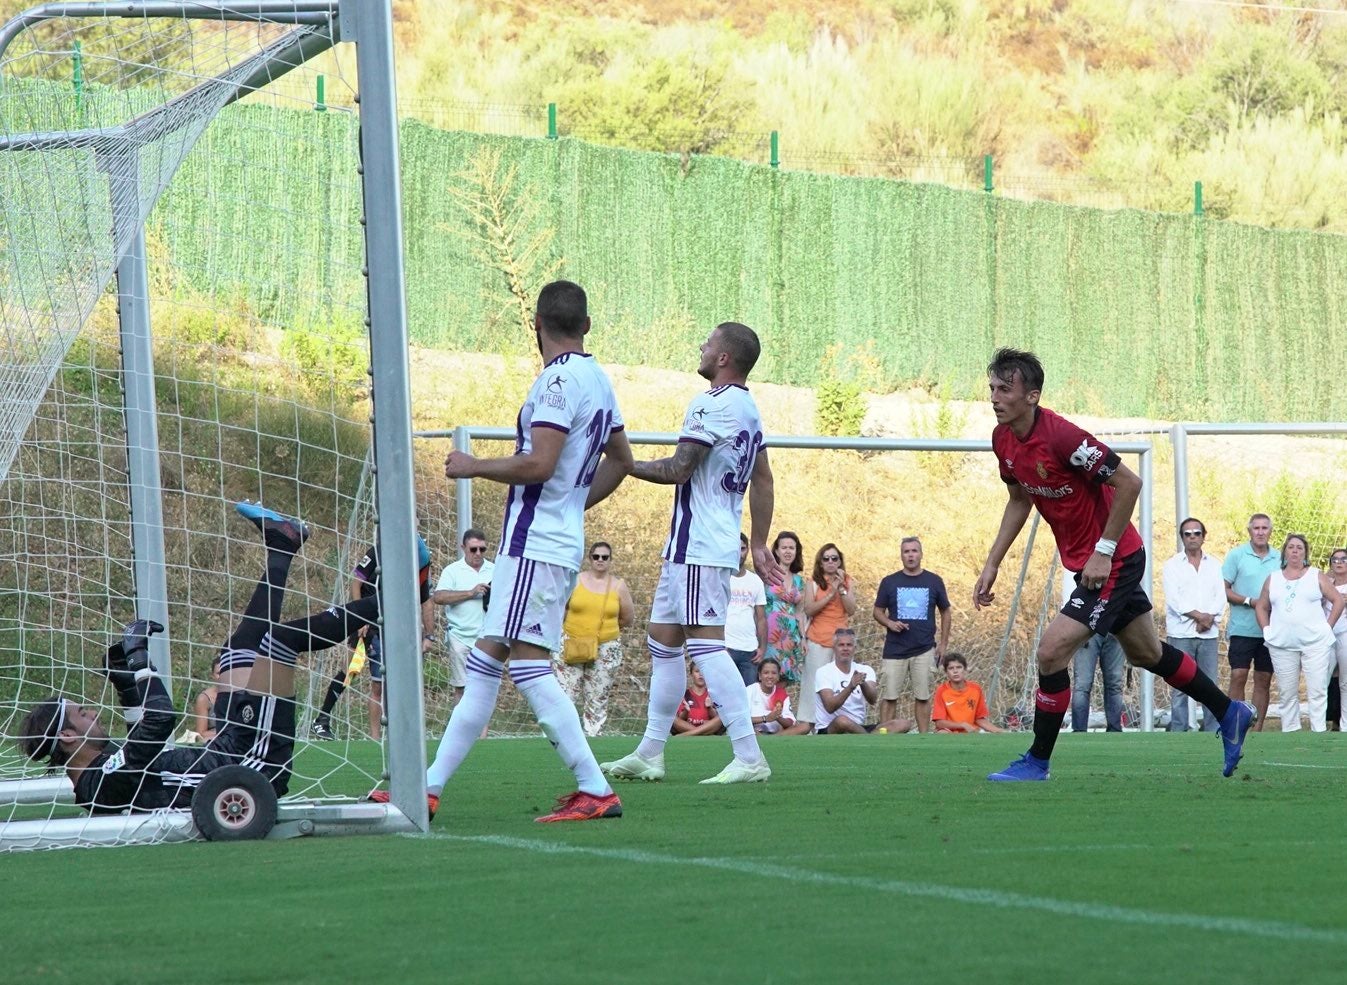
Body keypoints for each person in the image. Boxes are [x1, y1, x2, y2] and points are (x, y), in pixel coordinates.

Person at [379, 280, 634, 824]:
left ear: (536, 325)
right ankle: (426, 787)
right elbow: (621, 458)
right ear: (586, 325)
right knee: (487, 660)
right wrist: (571, 506)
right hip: (551, 540)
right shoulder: (597, 378)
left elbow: (539, 464)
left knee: (530, 665)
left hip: (534, 544)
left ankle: (595, 787)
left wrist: (474, 466)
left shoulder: (558, 381)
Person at [972, 348, 1253, 782]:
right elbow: (1019, 498)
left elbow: (1129, 482)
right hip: (1090, 563)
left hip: (1115, 559)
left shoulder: (1064, 437)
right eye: (992, 388)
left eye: (1005, 389)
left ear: (1032, 396)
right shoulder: (1002, 439)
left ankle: (1037, 762)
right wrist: (992, 562)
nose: (995, 397)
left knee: (1050, 652)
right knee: (1147, 653)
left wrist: (1103, 550)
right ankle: (1228, 712)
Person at [17, 503, 384, 815]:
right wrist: (140, 657)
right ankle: (396, 597)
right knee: (277, 644)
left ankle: (283, 542)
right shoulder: (100, 783)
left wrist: (124, 679)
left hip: (231, 748)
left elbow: (138, 734)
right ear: (67, 735)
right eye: (82, 714)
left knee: (236, 650)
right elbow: (159, 721)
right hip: (251, 766)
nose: (93, 713)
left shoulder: (98, 769)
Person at [600, 321, 783, 786]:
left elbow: (680, 468)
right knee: (663, 641)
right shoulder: (749, 408)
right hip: (694, 545)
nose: (701, 347)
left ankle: (749, 755)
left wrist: (625, 465)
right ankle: (650, 753)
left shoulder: (711, 403)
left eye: (708, 343)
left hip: (700, 545)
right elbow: (762, 479)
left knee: (706, 647)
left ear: (724, 358)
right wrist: (758, 542)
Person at [311, 534, 434, 740]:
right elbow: (357, 581)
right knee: (351, 669)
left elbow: (425, 599)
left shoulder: (421, 558)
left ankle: (388, 735)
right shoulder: (381, 550)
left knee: (390, 681)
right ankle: (322, 719)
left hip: (395, 627)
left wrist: (429, 635)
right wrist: (360, 618)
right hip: (367, 623)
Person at [1254, 534, 1343, 732]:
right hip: (1281, 644)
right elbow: (1261, 606)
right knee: (1287, 693)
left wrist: (1327, 627)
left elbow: (1337, 600)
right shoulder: (1273, 578)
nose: (1295, 551)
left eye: (1299, 548)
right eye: (1291, 547)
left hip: (1315, 643)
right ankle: (1290, 732)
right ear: (1285, 551)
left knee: (1317, 690)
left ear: (1305, 552)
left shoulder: (1316, 575)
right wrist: (1267, 630)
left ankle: (1318, 731)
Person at [558, 540, 635, 737]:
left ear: (610, 560)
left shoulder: (618, 586)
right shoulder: (575, 581)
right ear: (589, 559)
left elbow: (627, 618)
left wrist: (604, 633)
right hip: (572, 642)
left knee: (597, 696)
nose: (600, 560)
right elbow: (561, 609)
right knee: (565, 693)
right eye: (596, 556)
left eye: (604, 557)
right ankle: (560, 736)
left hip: (606, 647)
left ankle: (593, 737)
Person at [872, 536, 950, 733]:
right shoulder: (889, 582)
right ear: (901, 555)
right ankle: (885, 737)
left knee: (922, 696)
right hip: (895, 649)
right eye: (906, 551)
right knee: (890, 696)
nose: (910, 555)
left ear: (921, 554)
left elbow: (945, 611)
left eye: (914, 551)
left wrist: (943, 644)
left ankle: (923, 738)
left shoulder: (934, 581)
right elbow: (877, 611)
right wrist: (890, 623)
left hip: (924, 648)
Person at [1162, 518, 1226, 732]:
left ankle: (1212, 729)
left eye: (1196, 533)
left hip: (1208, 634)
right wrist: (1199, 616)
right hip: (1181, 633)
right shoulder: (1172, 565)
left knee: (1209, 684)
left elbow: (1220, 596)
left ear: (1203, 536)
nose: (1192, 537)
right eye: (1187, 534)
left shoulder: (1215, 565)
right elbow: (1174, 599)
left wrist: (1209, 619)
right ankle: (1179, 729)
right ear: (1182, 538)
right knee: (1179, 684)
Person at [1222, 513, 1279, 732]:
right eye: (1257, 528)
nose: (1261, 532)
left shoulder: (1279, 557)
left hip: (1269, 630)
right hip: (1242, 628)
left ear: (1270, 531)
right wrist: (1250, 601)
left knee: (1263, 679)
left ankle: (1257, 730)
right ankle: (1236, 725)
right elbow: (1223, 588)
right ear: (1249, 531)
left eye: (1265, 528)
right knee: (1238, 675)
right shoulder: (1237, 556)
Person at [432, 527, 495, 707]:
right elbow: (439, 597)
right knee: (461, 687)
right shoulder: (452, 571)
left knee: (484, 687)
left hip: (486, 637)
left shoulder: (495, 569)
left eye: (482, 549)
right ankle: (461, 732)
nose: (478, 553)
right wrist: (470, 592)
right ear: (463, 548)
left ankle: (483, 735)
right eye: (473, 549)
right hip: (459, 636)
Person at [797, 542, 856, 730]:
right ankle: (809, 724)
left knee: (839, 684)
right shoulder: (813, 582)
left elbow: (851, 609)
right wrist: (830, 593)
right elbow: (809, 609)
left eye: (835, 558)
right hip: (818, 640)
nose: (831, 562)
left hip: (841, 642)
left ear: (840, 561)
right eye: (826, 559)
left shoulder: (847, 580)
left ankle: (836, 725)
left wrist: (841, 588)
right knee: (813, 684)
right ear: (820, 563)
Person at [1060, 567, 1124, 732]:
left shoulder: (1123, 561)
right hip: (1087, 627)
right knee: (1083, 683)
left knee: (1114, 683)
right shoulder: (1085, 562)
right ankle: (1079, 730)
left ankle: (1115, 730)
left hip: (1115, 626)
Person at [813, 628, 910, 734]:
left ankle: (866, 737)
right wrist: (851, 686)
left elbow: (872, 700)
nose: (845, 648)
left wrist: (862, 683)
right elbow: (830, 707)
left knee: (903, 724)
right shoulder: (823, 672)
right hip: (831, 728)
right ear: (834, 648)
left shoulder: (865, 670)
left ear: (855, 648)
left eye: (849, 645)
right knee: (842, 721)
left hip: (858, 727)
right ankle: (869, 739)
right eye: (841, 645)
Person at [764, 531, 806, 684]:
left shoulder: (799, 581)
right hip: (769, 635)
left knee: (783, 680)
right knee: (767, 677)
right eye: (784, 548)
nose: (788, 551)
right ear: (776, 551)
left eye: (791, 548)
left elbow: (800, 613)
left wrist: (803, 638)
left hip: (789, 637)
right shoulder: (767, 575)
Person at [726, 533, 768, 685]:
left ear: (748, 550)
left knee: (749, 697)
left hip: (749, 650)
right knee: (725, 696)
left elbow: (761, 617)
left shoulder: (755, 581)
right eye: (735, 549)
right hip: (726, 648)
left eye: (742, 549)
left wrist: (762, 648)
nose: (739, 553)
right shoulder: (721, 578)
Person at [931, 653, 1002, 733]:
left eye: (959, 667)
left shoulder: (976, 689)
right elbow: (939, 723)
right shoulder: (941, 691)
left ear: (965, 669)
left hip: (971, 731)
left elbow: (979, 719)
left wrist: (998, 730)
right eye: (951, 668)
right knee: (942, 733)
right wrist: (962, 725)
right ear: (946, 672)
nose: (955, 671)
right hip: (949, 732)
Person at [747, 657, 810, 735]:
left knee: (805, 726)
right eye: (766, 673)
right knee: (746, 729)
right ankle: (769, 740)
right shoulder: (750, 690)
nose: (770, 676)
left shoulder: (782, 693)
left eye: (774, 673)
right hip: (755, 732)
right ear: (760, 676)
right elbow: (741, 719)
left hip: (777, 733)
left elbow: (790, 723)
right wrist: (765, 718)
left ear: (778, 676)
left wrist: (778, 717)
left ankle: (772, 739)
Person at [671, 665, 723, 736]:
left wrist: (710, 708)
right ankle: (704, 733)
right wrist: (686, 711)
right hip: (690, 727)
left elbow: (716, 719)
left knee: (722, 717)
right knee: (672, 718)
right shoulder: (685, 694)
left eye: (703, 672)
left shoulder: (712, 695)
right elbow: (680, 719)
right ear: (691, 674)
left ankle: (687, 734)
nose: (700, 674)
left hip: (707, 725)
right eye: (697, 671)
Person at [1328, 548, 1347, 730]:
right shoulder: (1324, 583)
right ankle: (1321, 722)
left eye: (1344, 559)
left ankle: (1344, 726)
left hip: (1345, 634)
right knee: (1321, 679)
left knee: (1345, 681)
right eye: (1335, 559)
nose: (1339, 562)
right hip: (1325, 636)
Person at [190, 656, 224, 742]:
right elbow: (200, 733)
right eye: (219, 673)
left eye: (225, 672)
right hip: (214, 741)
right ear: (212, 675)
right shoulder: (204, 699)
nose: (222, 676)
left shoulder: (239, 694)